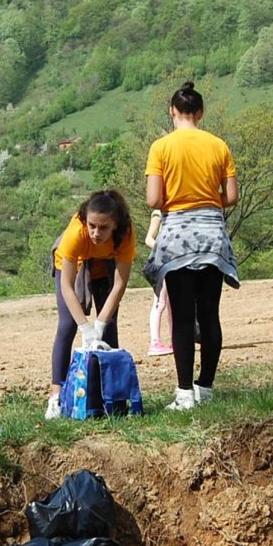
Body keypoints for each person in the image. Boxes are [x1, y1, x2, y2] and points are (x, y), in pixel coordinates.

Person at [145, 81, 240, 412]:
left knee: (183, 317)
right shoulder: (218, 146)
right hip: (212, 234)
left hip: (177, 237)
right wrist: (207, 201)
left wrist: (177, 200)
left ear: (172, 111)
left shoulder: (161, 147)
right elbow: (231, 197)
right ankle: (206, 388)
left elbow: (153, 199)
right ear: (200, 112)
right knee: (210, 314)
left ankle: (184, 394)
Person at [45, 190, 137, 420]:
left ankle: (112, 398)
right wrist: (86, 328)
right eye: (92, 226)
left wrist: (100, 322)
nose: (96, 233)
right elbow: (67, 286)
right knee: (68, 324)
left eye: (104, 227)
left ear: (115, 225)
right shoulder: (76, 232)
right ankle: (56, 397)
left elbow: (120, 284)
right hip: (74, 263)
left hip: (105, 263)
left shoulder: (126, 234)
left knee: (109, 326)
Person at [143, 210, 173, 357]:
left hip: (173, 263)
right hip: (161, 263)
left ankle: (175, 340)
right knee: (160, 303)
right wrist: (164, 251)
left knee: (172, 304)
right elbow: (148, 239)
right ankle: (155, 342)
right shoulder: (158, 214)